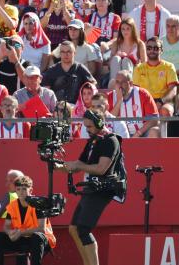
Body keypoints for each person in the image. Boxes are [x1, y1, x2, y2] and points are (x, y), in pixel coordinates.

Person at [56, 110, 122, 265]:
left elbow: (101, 169)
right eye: (86, 126)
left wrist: (78, 165)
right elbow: (78, 165)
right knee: (73, 228)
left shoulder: (110, 140)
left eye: (90, 126)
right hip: (91, 188)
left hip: (102, 189)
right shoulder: (93, 140)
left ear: (100, 123)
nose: (87, 130)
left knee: (83, 230)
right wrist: (57, 165)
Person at [0, 176, 56, 265]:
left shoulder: (39, 204)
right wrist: (10, 233)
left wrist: (20, 232)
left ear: (31, 190)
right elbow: (6, 226)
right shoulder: (12, 206)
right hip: (20, 238)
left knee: (37, 237)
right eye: (18, 189)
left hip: (42, 239)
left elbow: (41, 229)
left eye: (24, 189)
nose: (21, 192)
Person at [133, 37, 178, 111]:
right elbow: (135, 91)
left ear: (161, 50)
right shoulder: (138, 68)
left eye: (156, 48)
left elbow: (173, 90)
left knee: (166, 110)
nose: (152, 50)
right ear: (146, 50)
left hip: (163, 101)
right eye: (149, 48)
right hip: (144, 101)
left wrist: (161, 101)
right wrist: (146, 103)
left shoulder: (169, 66)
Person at [111, 69, 160, 137]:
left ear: (130, 83)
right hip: (119, 136)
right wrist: (119, 100)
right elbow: (109, 121)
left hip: (141, 133)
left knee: (155, 131)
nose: (119, 85)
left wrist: (138, 133)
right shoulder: (110, 96)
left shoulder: (142, 94)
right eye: (117, 82)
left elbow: (154, 120)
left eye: (123, 82)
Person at [107, 17, 146, 87]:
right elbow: (110, 64)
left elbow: (145, 65)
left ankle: (128, 85)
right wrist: (117, 55)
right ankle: (114, 86)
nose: (125, 31)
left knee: (126, 60)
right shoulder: (116, 43)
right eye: (123, 29)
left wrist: (136, 64)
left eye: (128, 29)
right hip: (117, 72)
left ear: (132, 29)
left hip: (134, 73)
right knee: (116, 59)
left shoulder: (139, 44)